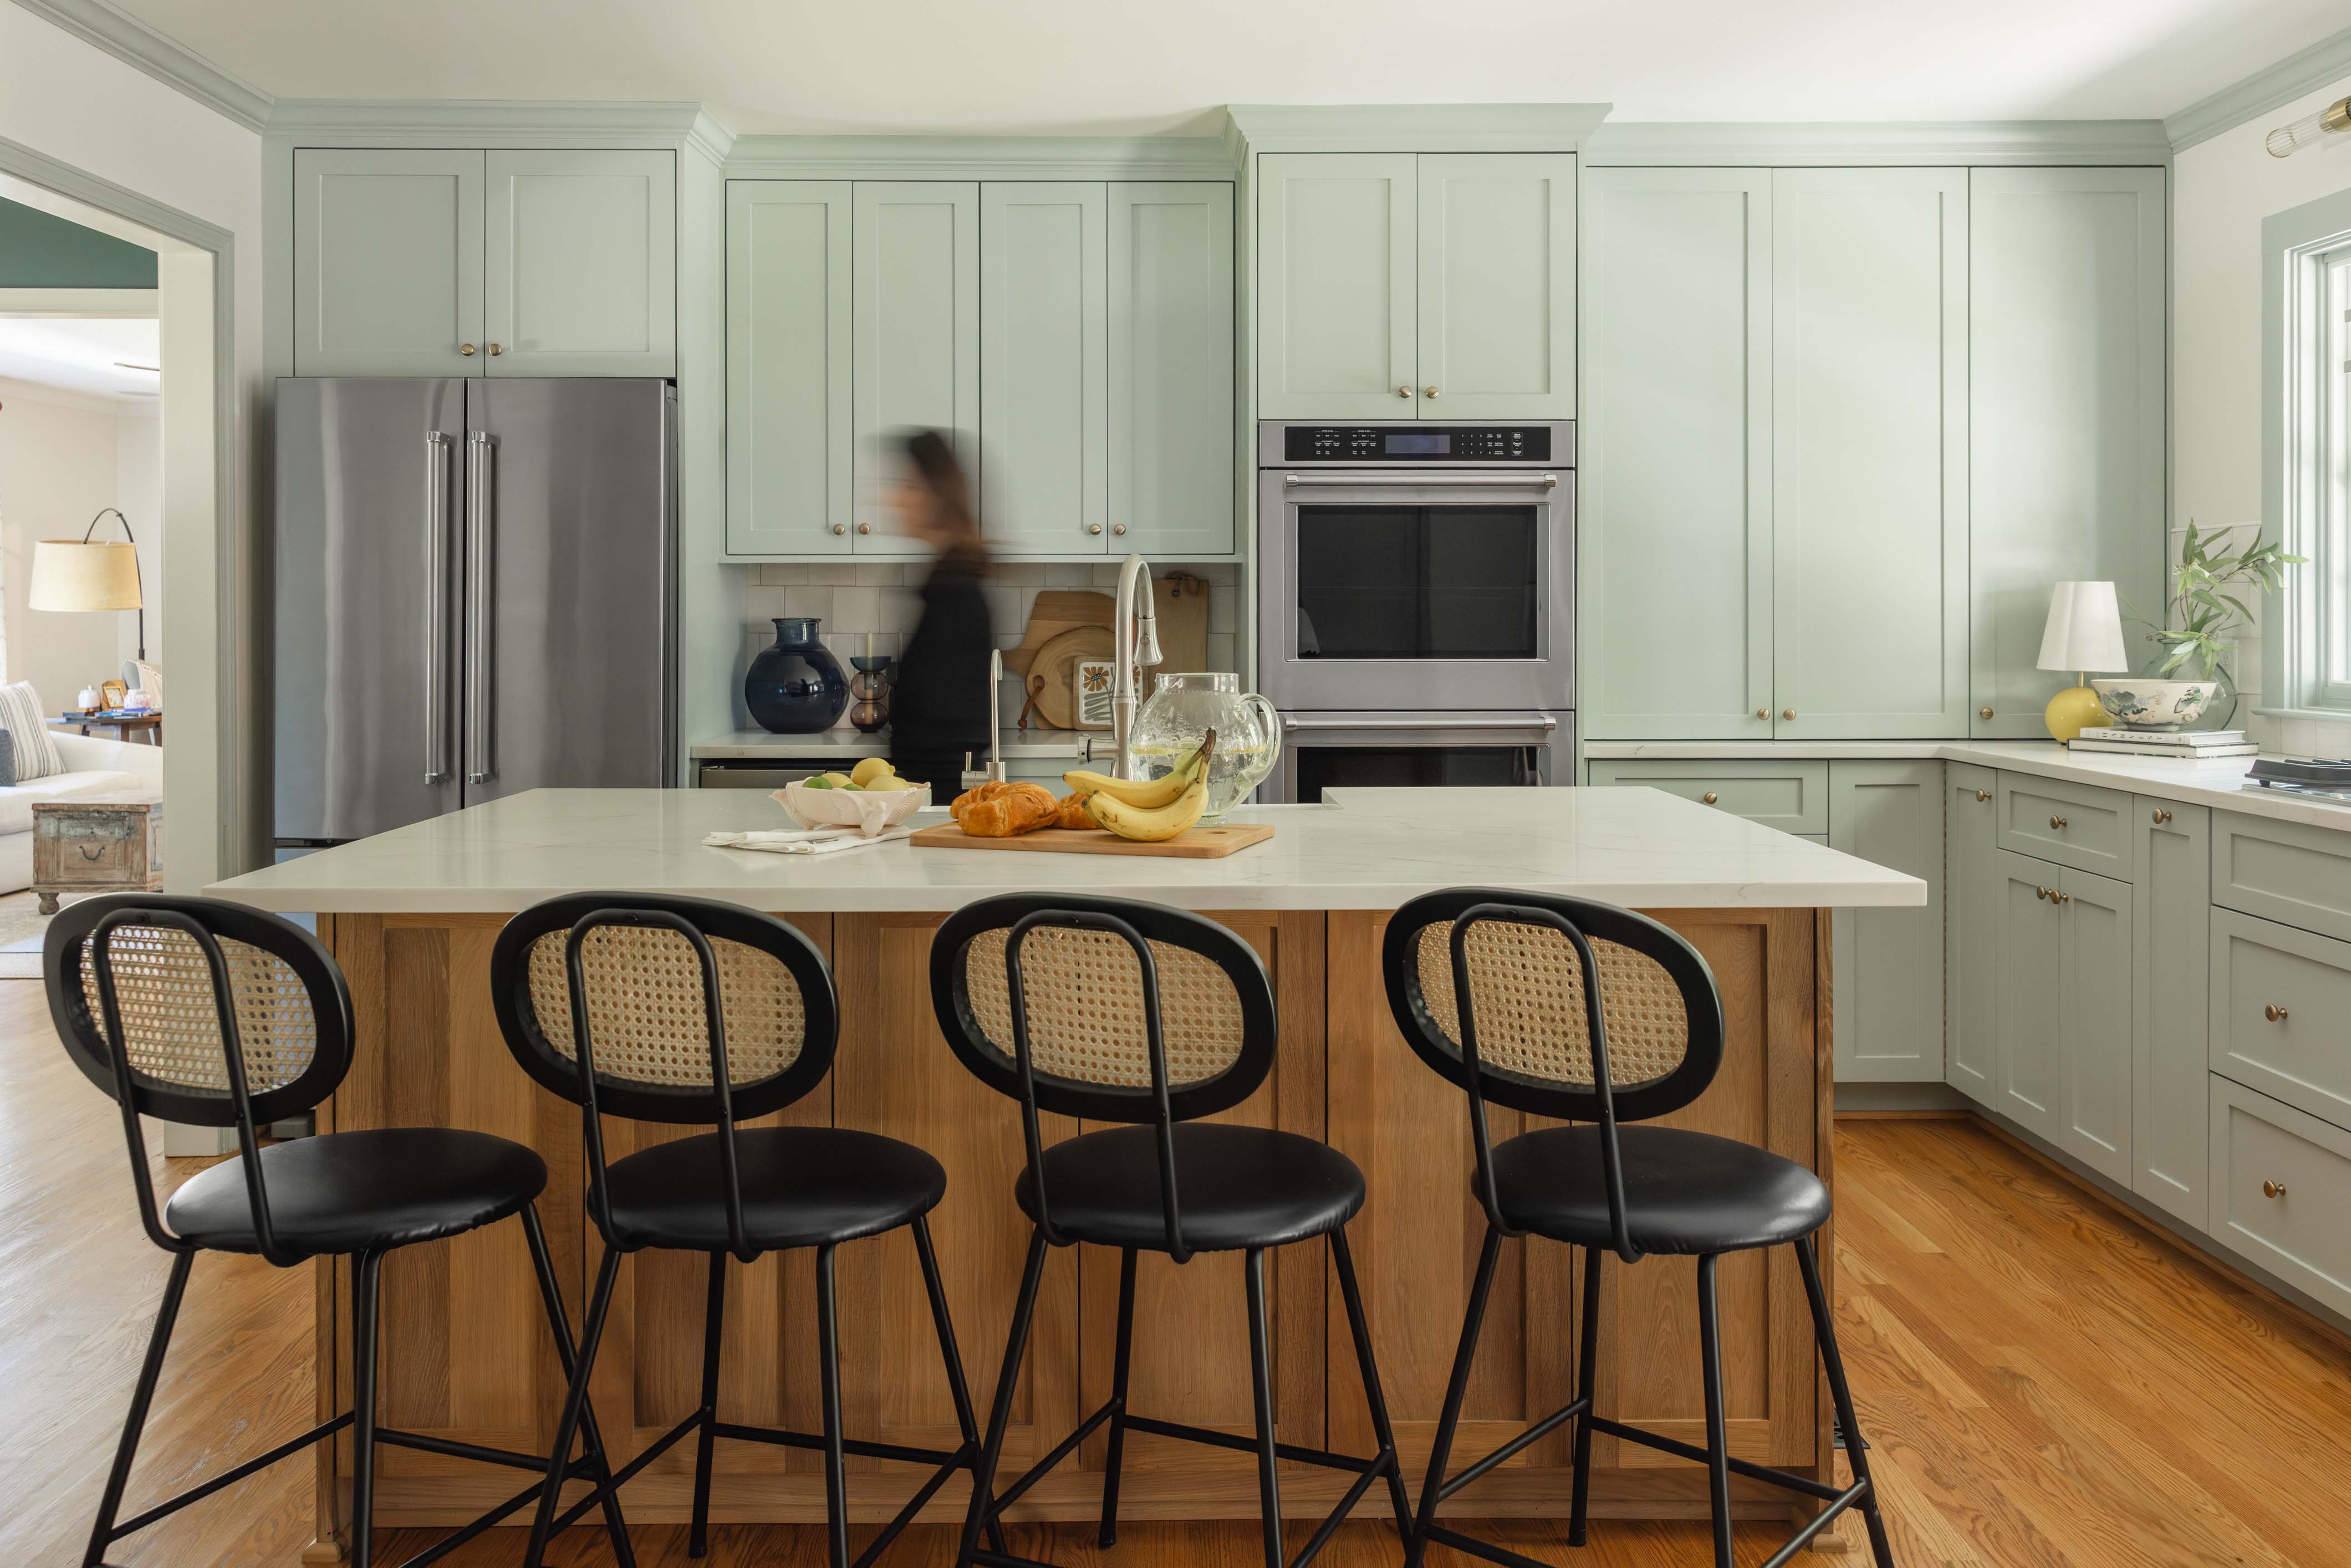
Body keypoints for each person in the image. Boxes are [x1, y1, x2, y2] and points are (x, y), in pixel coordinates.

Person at [884, 430, 993, 793]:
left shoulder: (957, 592)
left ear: (939, 494)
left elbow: (952, 730)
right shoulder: (946, 581)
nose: (894, 499)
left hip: (937, 795)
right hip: (925, 790)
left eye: (909, 486)